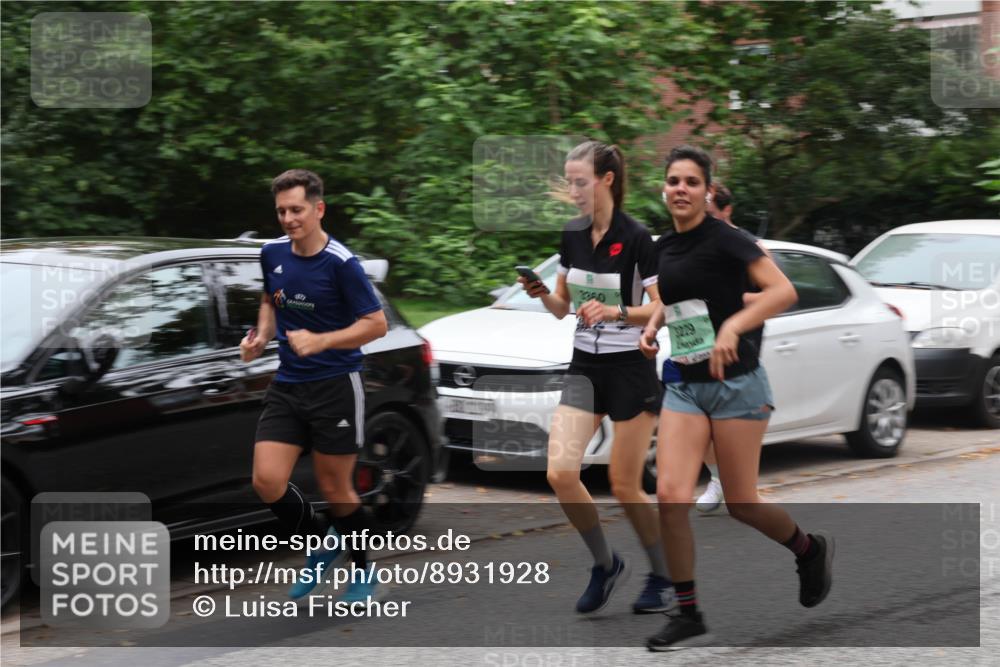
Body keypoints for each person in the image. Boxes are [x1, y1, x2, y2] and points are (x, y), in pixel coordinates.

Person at [640, 146, 834, 650]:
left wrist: (734, 325)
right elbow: (671, 302)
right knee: (670, 495)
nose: (680, 189)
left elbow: (782, 291)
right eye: (673, 181)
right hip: (685, 383)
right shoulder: (662, 248)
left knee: (742, 504)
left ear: (707, 191)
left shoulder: (729, 240)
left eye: (691, 182)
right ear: (664, 189)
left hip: (737, 387)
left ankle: (809, 550)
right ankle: (688, 612)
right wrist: (653, 325)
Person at [520, 140, 673, 614]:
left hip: (630, 370)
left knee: (625, 485)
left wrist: (615, 311)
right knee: (560, 473)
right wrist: (542, 293)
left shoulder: (637, 238)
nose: (573, 191)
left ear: (607, 180)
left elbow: (661, 308)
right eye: (569, 182)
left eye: (580, 182)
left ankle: (664, 575)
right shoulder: (572, 234)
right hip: (585, 366)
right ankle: (606, 564)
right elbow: (564, 308)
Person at [240, 169, 388, 605]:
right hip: (289, 384)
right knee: (267, 480)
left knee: (335, 487)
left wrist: (321, 340)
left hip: (336, 385)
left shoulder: (342, 263)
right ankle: (323, 541)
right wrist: (260, 337)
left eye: (297, 210)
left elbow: (376, 325)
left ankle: (362, 572)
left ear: (318, 209)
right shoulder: (271, 253)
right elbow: (271, 299)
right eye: (282, 211)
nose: (288, 218)